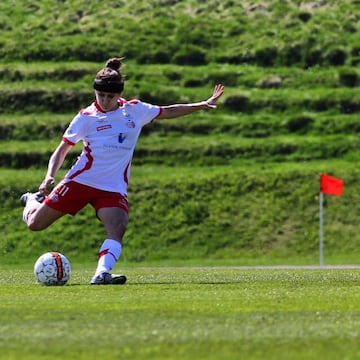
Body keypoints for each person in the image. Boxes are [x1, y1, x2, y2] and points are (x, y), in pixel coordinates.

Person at [20, 57, 225, 285]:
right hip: (81, 181)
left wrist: (202, 104)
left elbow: (167, 111)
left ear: (119, 95)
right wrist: (50, 175)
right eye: (101, 96)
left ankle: (101, 274)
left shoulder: (135, 111)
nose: (105, 101)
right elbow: (61, 150)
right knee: (35, 224)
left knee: (117, 227)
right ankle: (31, 200)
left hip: (112, 186)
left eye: (110, 96)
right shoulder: (86, 118)